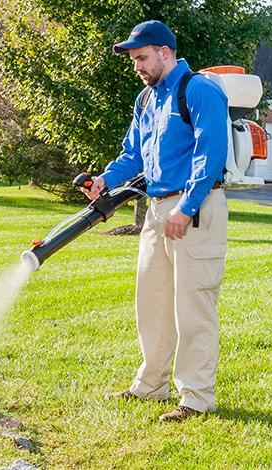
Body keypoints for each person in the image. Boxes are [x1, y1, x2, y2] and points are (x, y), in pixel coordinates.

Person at [82, 20, 229, 422]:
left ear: (165, 52)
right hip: (158, 208)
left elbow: (210, 151)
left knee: (193, 306)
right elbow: (133, 153)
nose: (137, 67)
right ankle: (150, 387)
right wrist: (104, 180)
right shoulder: (146, 100)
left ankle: (196, 398)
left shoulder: (198, 89)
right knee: (153, 302)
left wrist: (189, 206)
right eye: (133, 60)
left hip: (195, 208)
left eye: (142, 58)